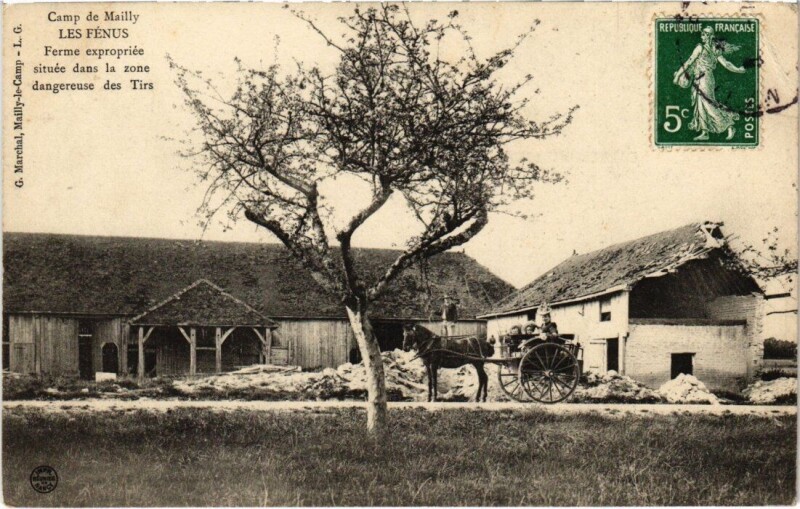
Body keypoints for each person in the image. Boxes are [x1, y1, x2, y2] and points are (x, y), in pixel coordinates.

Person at [673, 26, 746, 141]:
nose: (702, 37)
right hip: (703, 78)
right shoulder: (715, 49)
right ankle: (705, 132)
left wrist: (677, 76)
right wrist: (738, 69)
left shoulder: (700, 48)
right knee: (701, 103)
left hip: (704, 79)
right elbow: (726, 64)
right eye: (702, 34)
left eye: (703, 35)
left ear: (708, 36)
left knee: (708, 104)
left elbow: (688, 62)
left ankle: (729, 126)